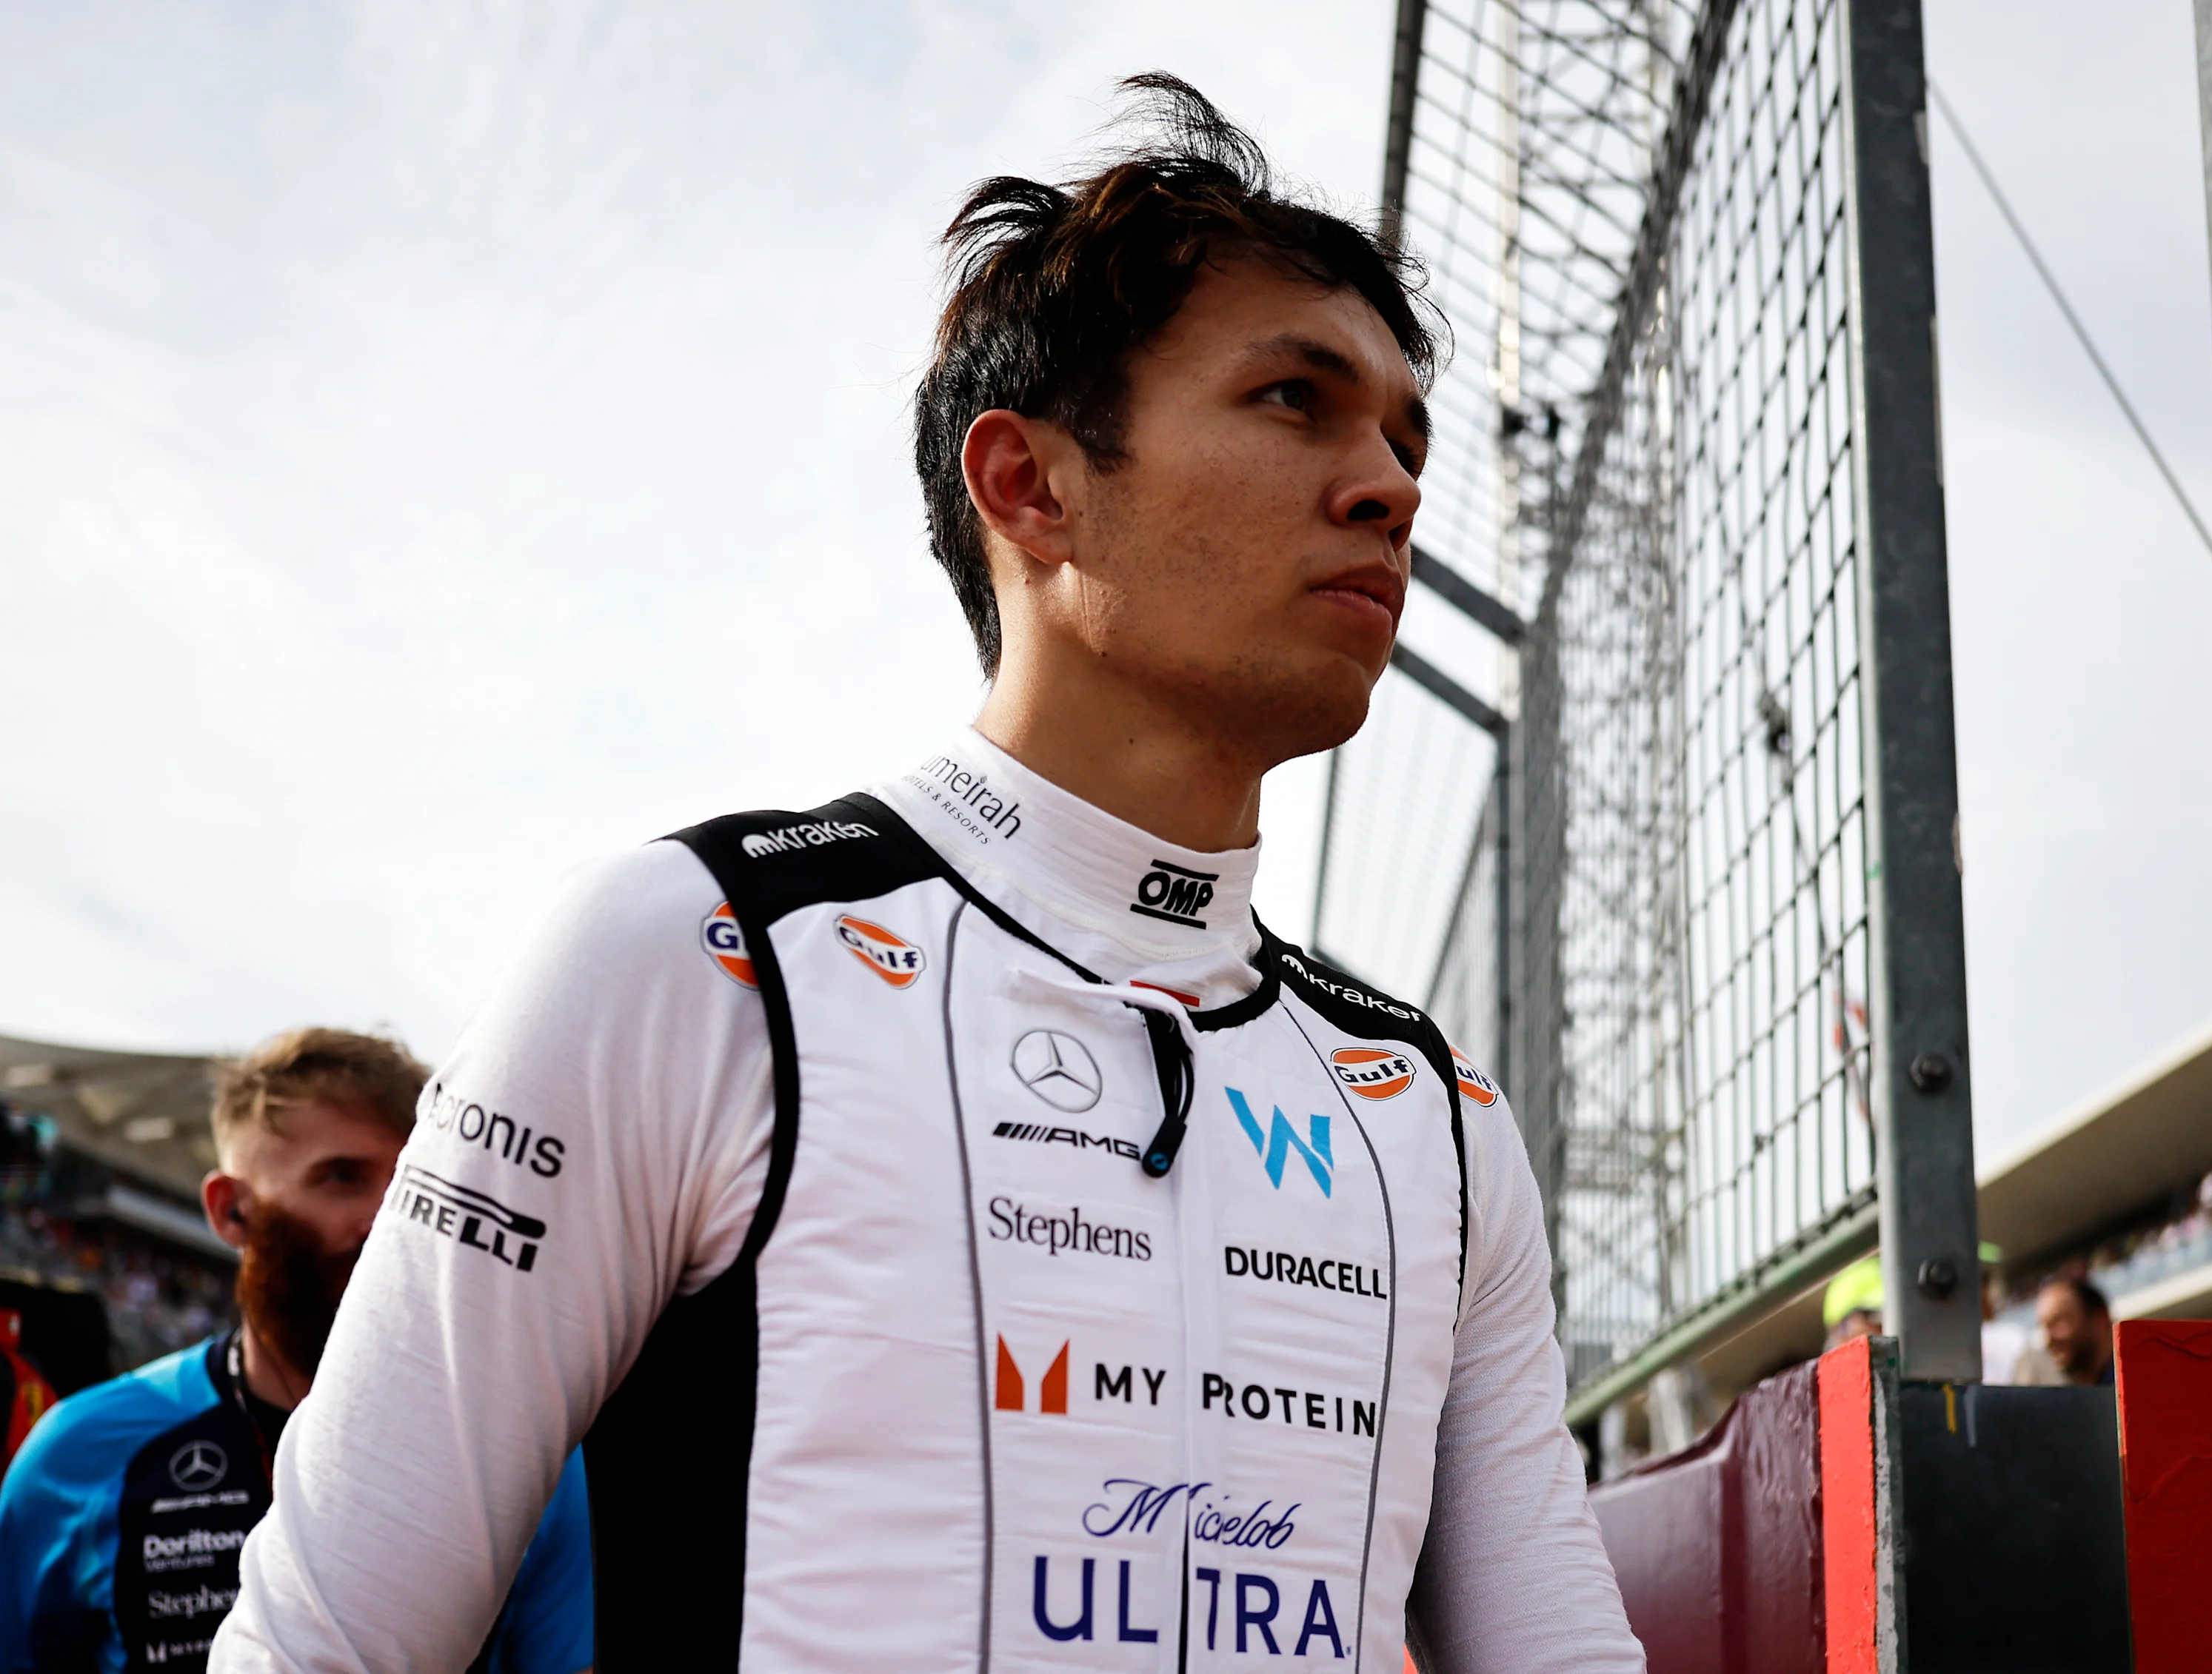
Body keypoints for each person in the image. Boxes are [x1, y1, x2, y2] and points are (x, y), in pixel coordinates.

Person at [213, 76, 1643, 1674]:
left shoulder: (1432, 1111)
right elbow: (323, 1636)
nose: (1390, 482)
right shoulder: (695, 956)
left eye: (1401, 431)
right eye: (1293, 400)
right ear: (1028, 484)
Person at [0, 1029, 594, 1674]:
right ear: (231, 1212)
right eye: (342, 1177)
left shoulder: (532, 1464)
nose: (389, 1218)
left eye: (412, 1183)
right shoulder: (81, 1454)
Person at [2020, 1276, 2115, 1387]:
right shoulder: (2072, 1398)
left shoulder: (2136, 1383)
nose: (2048, 1340)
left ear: (2100, 1320)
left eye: (2058, 1323)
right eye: (2044, 1327)